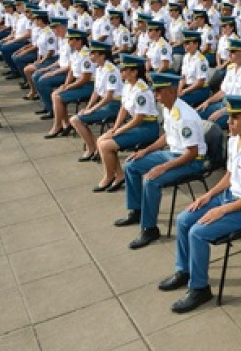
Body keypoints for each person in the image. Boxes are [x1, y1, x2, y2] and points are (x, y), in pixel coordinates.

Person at [159, 95, 241, 313]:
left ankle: (200, 288)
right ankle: (184, 270)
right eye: (229, 117)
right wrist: (209, 195)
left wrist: (221, 210)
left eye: (235, 118)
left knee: (197, 232)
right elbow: (230, 175)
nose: (229, 122)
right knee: (184, 219)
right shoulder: (233, 140)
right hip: (228, 197)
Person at [114, 73, 207, 250]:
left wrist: (163, 167)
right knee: (131, 165)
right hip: (172, 153)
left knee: (151, 180)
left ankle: (149, 228)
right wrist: (146, 151)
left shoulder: (185, 116)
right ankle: (136, 210)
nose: (156, 95)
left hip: (190, 161)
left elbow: (192, 153)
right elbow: (167, 136)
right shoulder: (168, 107)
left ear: (171, 92)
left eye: (159, 92)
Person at [95, 54, 160, 192]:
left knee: (106, 145)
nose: (121, 72)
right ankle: (118, 175)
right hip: (136, 125)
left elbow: (138, 119)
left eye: (125, 70)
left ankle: (109, 176)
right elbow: (123, 108)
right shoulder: (128, 85)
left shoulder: (141, 91)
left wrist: (120, 131)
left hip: (147, 128)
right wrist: (115, 127)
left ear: (134, 72)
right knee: (101, 140)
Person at [69, 41, 123, 162]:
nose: (90, 56)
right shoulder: (99, 68)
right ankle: (94, 146)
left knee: (75, 119)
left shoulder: (111, 71)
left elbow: (109, 96)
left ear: (102, 55)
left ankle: (91, 148)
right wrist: (88, 107)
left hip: (114, 105)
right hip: (105, 103)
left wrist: (92, 110)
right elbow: (96, 92)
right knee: (77, 118)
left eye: (93, 53)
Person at [197, 39, 241, 130]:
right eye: (229, 51)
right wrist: (208, 101)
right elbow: (223, 92)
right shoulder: (231, 68)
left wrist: (222, 112)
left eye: (233, 52)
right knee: (198, 114)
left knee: (210, 124)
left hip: (239, 112)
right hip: (225, 105)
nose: (229, 54)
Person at [43, 35, 95, 137]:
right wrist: (66, 84)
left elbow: (85, 79)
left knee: (57, 96)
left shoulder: (86, 56)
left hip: (88, 86)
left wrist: (69, 87)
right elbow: (71, 71)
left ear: (79, 41)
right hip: (78, 82)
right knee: (56, 94)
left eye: (71, 39)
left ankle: (57, 126)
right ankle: (65, 123)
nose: (69, 41)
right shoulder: (75, 52)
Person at [176, 30, 211, 107]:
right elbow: (183, 77)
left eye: (188, 43)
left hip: (200, 90)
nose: (185, 45)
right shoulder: (186, 57)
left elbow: (200, 83)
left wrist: (184, 91)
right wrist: (179, 89)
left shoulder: (201, 60)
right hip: (188, 87)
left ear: (196, 44)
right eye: (184, 43)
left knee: (181, 100)